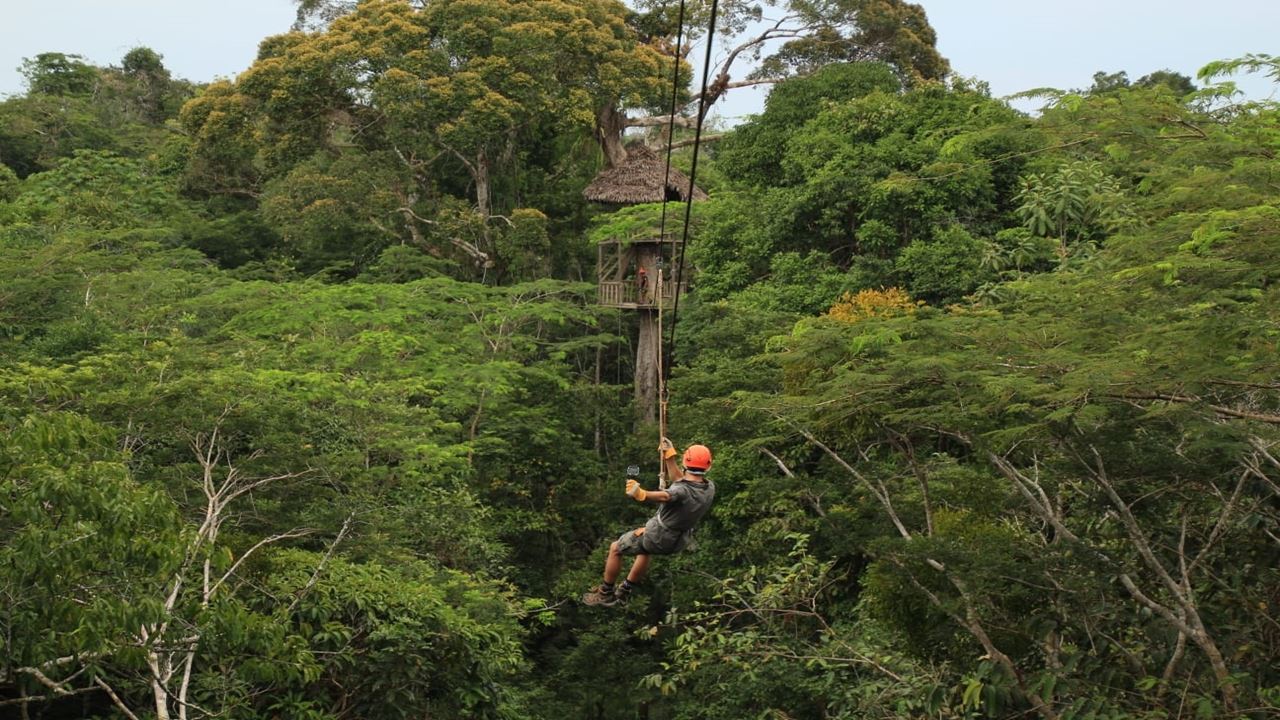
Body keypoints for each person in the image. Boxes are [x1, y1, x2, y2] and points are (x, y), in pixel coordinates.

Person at [583, 438, 715, 607]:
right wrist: (669, 457)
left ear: (685, 462)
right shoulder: (709, 488)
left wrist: (642, 493)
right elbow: (681, 481)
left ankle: (605, 593)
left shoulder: (681, 491)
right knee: (644, 550)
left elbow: (667, 495)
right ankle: (624, 591)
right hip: (679, 540)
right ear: (708, 466)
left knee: (615, 548)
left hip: (659, 536)